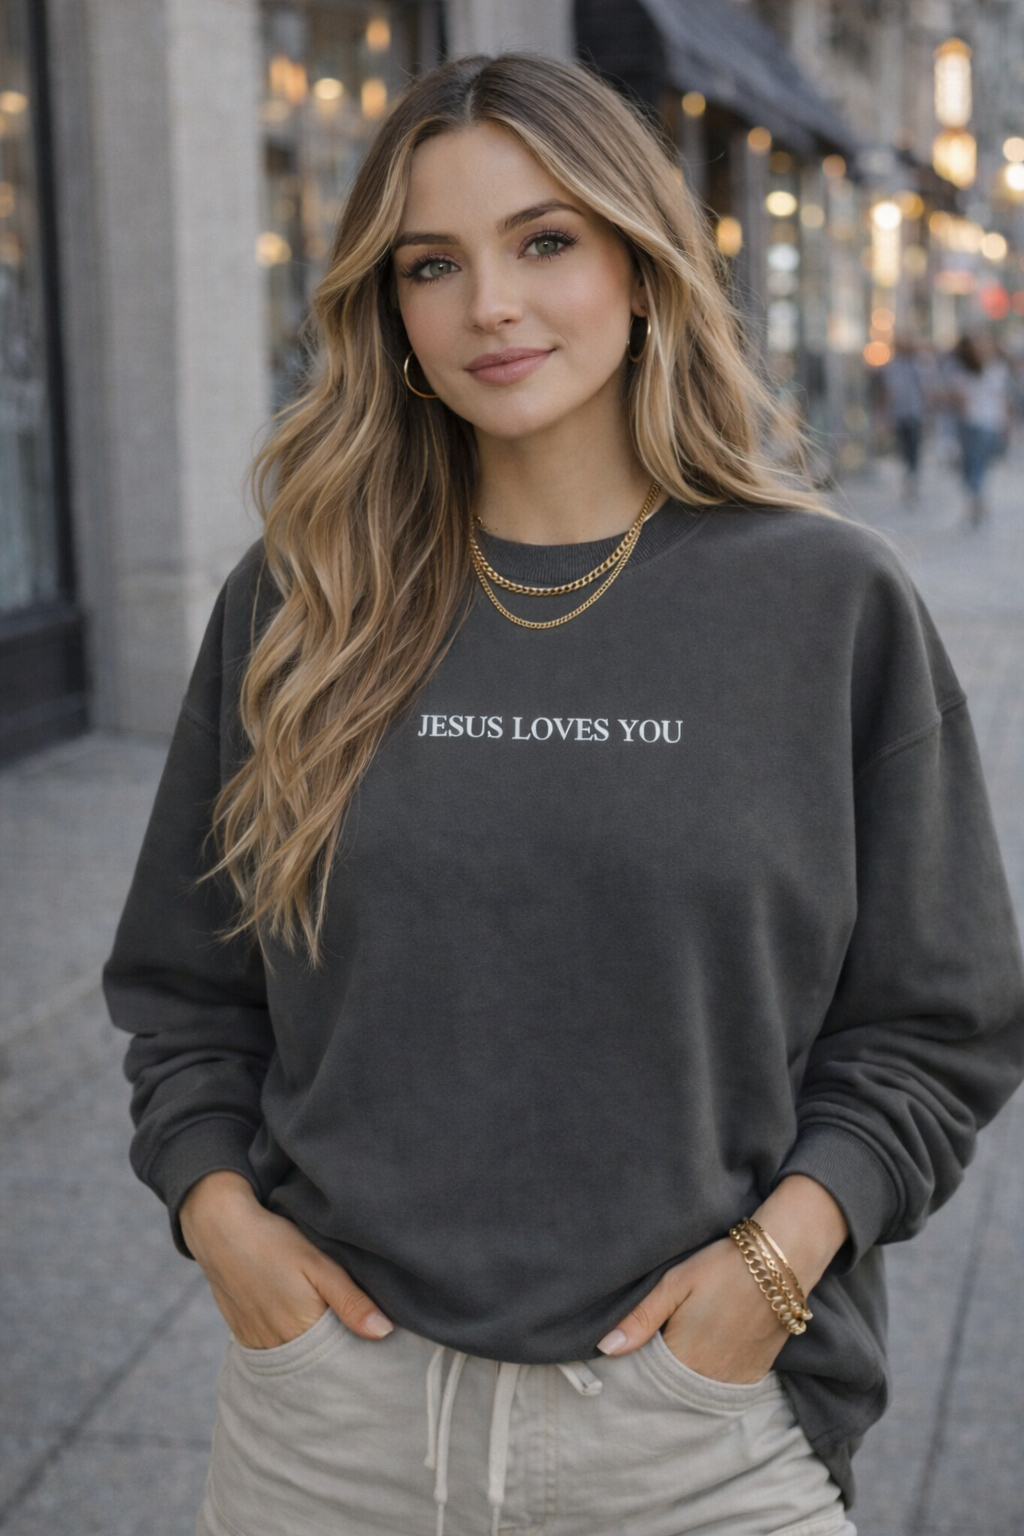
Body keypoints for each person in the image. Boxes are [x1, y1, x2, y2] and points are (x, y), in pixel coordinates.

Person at [101, 52, 1024, 1536]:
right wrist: (224, 1225)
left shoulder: (826, 604)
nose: (493, 308)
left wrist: (769, 1281)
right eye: (433, 264)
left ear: (643, 264)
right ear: (387, 311)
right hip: (327, 1431)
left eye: (547, 242)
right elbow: (187, 993)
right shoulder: (302, 599)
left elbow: (938, 1021)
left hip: (695, 1439)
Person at [949, 333, 1012, 526]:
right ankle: (977, 496)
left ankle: (975, 496)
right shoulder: (995, 369)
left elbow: (960, 401)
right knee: (979, 464)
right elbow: (1003, 400)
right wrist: (1005, 424)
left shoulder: (964, 371)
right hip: (988, 424)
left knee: (971, 464)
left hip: (972, 423)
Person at [879, 335, 929, 504]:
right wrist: (887, 415)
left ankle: (912, 478)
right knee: (904, 449)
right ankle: (908, 477)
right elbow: (889, 392)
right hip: (901, 414)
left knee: (914, 449)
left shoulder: (917, 366)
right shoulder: (892, 368)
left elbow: (924, 391)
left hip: (914, 413)